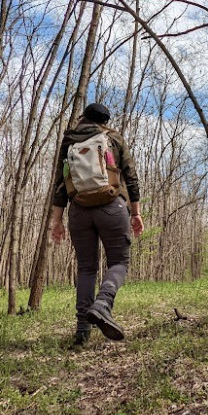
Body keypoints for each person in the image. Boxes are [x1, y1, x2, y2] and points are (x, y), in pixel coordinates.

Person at [49, 102, 144, 347]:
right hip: (112, 206)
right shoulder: (113, 138)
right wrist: (136, 213)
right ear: (105, 121)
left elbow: (60, 183)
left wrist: (56, 220)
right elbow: (130, 176)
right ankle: (103, 304)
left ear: (83, 117)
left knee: (86, 269)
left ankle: (82, 330)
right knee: (119, 262)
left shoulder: (70, 140)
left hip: (78, 210)